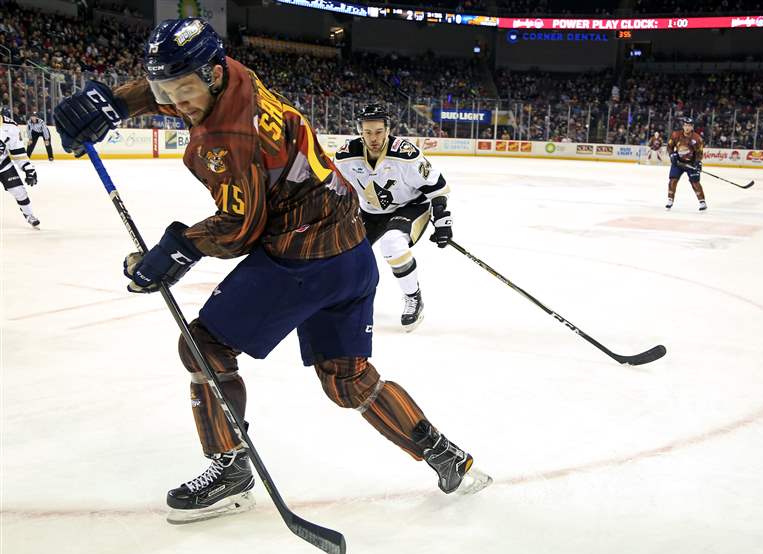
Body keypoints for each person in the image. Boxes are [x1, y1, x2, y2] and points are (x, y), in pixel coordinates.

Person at [54, 19, 489, 524]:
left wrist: (175, 250)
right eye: (164, 90)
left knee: (203, 347)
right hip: (350, 253)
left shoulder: (229, 138)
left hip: (300, 257)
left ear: (212, 75)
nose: (177, 102)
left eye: (185, 91)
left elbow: (239, 228)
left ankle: (230, 474)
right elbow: (176, 89)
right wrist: (121, 101)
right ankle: (445, 455)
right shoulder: (235, 74)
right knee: (347, 381)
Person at [333, 104, 452, 331]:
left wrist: (443, 220)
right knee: (345, 252)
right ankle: (348, 298)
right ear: (361, 131)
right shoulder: (346, 156)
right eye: (368, 132)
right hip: (370, 212)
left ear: (388, 129)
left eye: (378, 131)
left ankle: (413, 297)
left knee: (392, 243)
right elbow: (334, 189)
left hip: (410, 207)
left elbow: (436, 186)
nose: (373, 138)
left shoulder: (405, 155)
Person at [1, 107, 40, 228]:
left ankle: (29, 215)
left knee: (19, 191)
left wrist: (28, 168)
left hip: (2, 164)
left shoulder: (10, 127)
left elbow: (18, 152)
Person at [666, 117, 706, 211]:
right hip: (678, 163)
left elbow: (699, 153)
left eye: (689, 126)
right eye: (686, 125)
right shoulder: (676, 135)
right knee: (673, 180)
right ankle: (670, 199)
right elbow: (669, 147)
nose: (687, 127)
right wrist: (672, 155)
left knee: (695, 182)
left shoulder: (697, 138)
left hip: (691, 164)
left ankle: (702, 202)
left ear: (692, 127)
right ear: (683, 126)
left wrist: (697, 163)